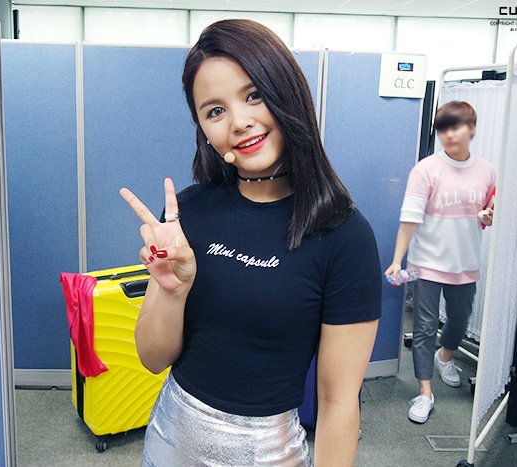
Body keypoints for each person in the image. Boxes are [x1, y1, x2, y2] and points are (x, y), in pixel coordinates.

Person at [119, 19, 382, 467]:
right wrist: (172, 290)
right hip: (171, 442)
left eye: (254, 95)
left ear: (286, 93)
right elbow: (153, 358)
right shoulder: (187, 214)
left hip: (268, 453)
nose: (239, 122)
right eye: (214, 111)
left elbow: (338, 402)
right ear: (204, 129)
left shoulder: (343, 235)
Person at [385, 101, 496, 424]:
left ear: (472, 129)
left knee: (459, 321)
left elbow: (488, 209)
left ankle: (445, 356)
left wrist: (488, 216)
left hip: (466, 262)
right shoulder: (426, 170)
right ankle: (424, 393)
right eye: (443, 129)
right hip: (427, 263)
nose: (448, 135)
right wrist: (397, 259)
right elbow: (410, 218)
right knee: (424, 327)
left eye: (455, 127)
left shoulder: (487, 170)